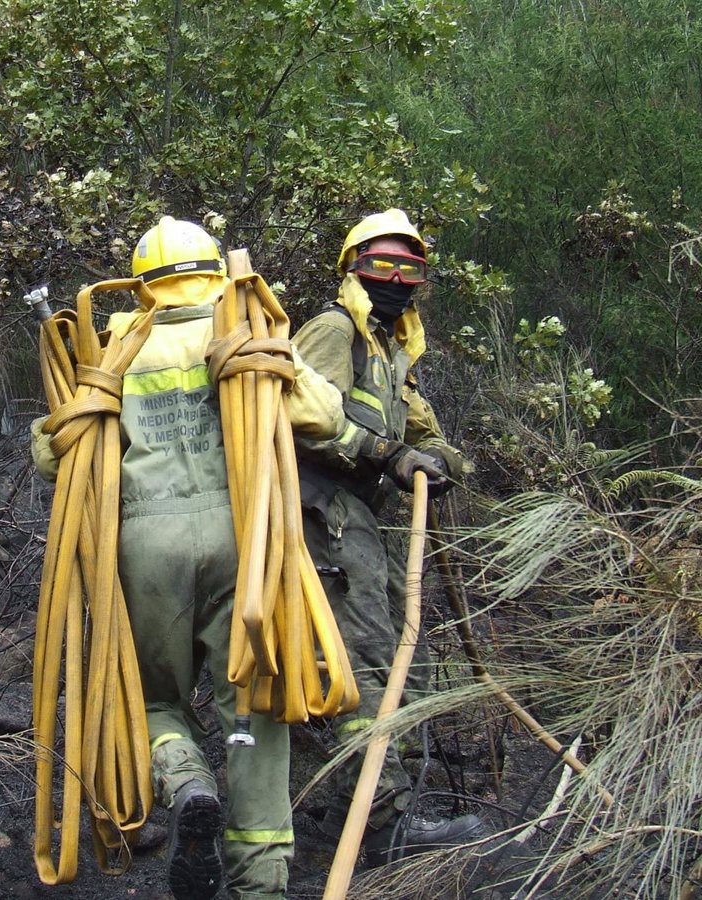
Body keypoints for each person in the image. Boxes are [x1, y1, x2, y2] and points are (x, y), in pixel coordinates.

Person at [32, 216, 343, 900]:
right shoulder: (248, 332)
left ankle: (186, 780)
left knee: (147, 696)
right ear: (214, 273)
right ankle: (261, 878)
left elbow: (55, 453)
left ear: (141, 283)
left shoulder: (111, 346)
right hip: (246, 538)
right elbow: (324, 417)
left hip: (145, 545)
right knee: (254, 703)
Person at [290, 208, 482, 864]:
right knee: (364, 657)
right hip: (322, 514)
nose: (396, 280)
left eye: (410, 269)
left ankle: (347, 803)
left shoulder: (391, 347)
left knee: (400, 648)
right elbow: (299, 418)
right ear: (352, 268)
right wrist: (386, 454)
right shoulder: (334, 330)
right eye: (381, 265)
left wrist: (441, 459)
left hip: (360, 518)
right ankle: (383, 821)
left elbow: (423, 430)